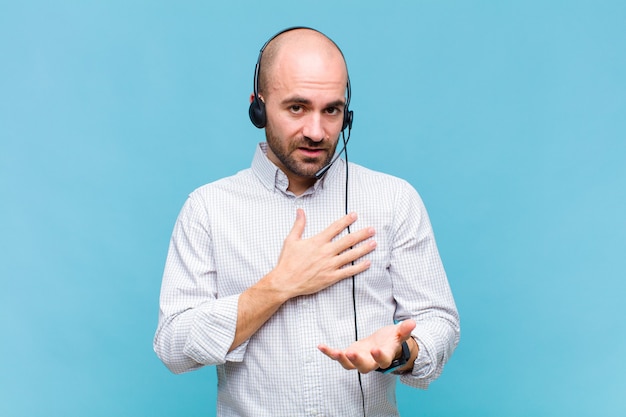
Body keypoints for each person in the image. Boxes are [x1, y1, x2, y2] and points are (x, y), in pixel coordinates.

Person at [154, 27, 460, 417]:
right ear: (258, 108)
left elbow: (439, 320)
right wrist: (278, 286)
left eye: (331, 110)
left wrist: (402, 351)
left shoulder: (395, 200)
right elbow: (173, 347)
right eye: (297, 108)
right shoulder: (207, 209)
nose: (316, 132)